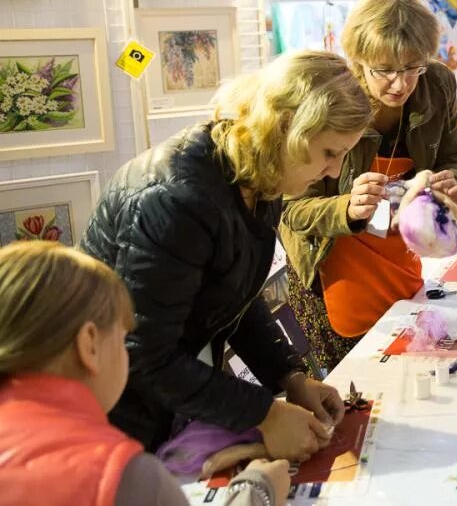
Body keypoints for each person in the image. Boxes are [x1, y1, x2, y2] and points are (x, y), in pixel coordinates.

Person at [81, 51, 371, 459]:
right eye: (329, 153)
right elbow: (144, 355)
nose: (334, 172)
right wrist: (264, 414)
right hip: (104, 413)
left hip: (153, 401)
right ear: (286, 127)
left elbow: (233, 296)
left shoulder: (261, 176)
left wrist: (291, 378)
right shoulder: (175, 198)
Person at [0, 240, 292, 506]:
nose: (129, 354)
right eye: (123, 337)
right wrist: (259, 490)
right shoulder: (123, 476)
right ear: (89, 344)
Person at [280, 0, 457, 370]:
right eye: (383, 70)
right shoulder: (328, 98)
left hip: (400, 261)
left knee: (409, 371)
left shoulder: (437, 84)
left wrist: (455, 179)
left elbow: (455, 156)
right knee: (354, 392)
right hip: (334, 271)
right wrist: (347, 207)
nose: (400, 84)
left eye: (411, 68)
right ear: (358, 59)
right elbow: (290, 208)